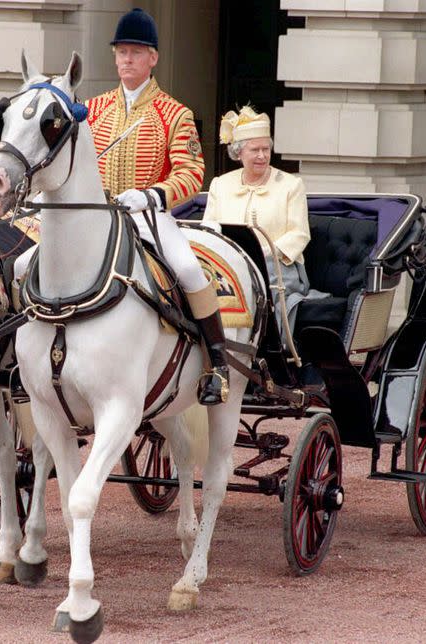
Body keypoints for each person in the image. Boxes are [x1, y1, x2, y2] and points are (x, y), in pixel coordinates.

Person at [80, 8, 228, 405]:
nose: (126, 59)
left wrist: (153, 196)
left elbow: (192, 171)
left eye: (135, 52)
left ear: (153, 58)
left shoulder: (175, 114)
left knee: (189, 270)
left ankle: (217, 364)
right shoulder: (91, 112)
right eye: (121, 51)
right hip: (97, 220)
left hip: (148, 218)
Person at [202, 107, 323, 344]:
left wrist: (262, 255)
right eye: (254, 150)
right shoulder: (220, 184)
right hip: (228, 266)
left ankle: (268, 354)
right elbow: (209, 229)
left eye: (266, 149)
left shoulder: (291, 185)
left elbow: (299, 234)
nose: (262, 156)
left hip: (278, 269)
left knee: (259, 294)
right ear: (238, 153)